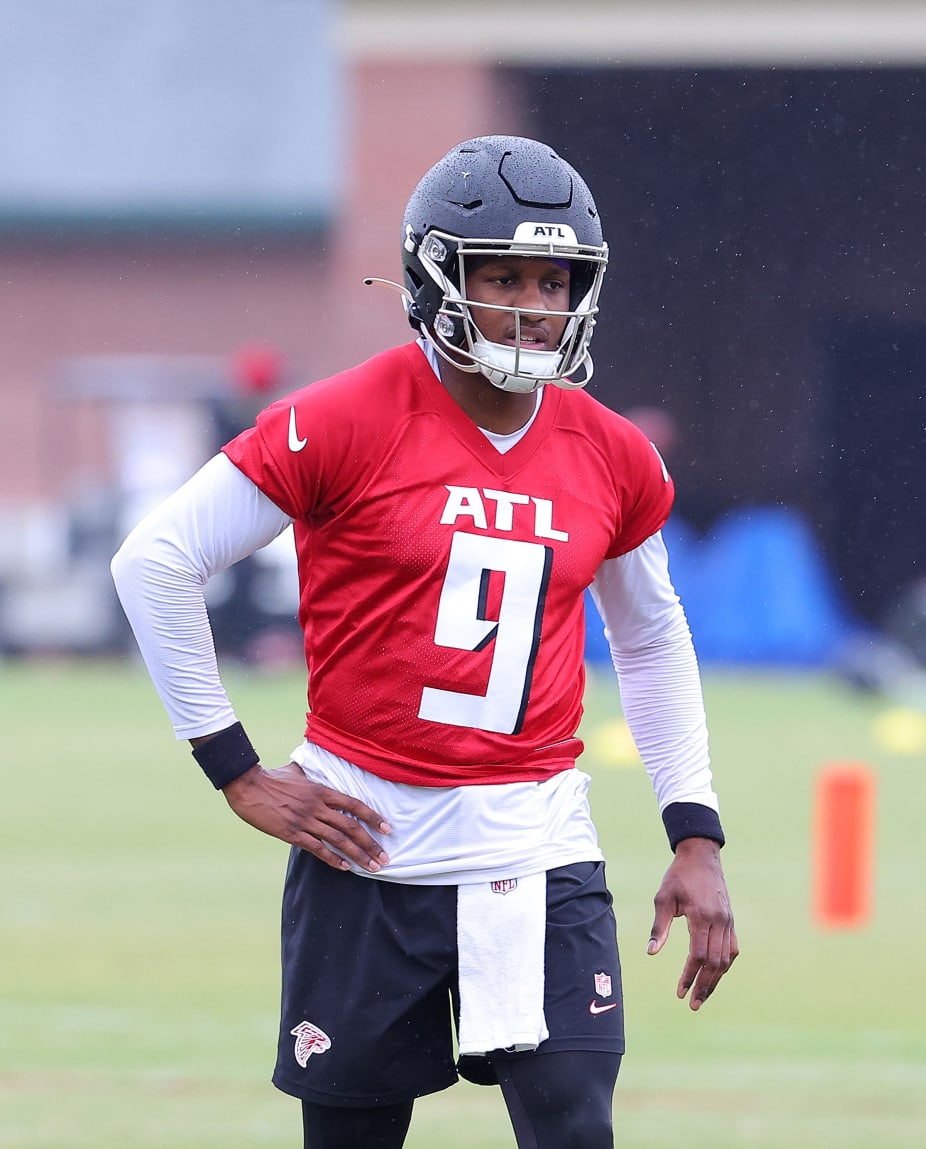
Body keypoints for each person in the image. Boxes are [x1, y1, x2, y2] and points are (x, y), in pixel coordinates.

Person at [112, 135, 737, 1149]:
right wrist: (236, 770)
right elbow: (154, 563)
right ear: (437, 275)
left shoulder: (614, 452)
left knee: (577, 1128)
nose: (537, 303)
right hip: (367, 836)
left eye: (555, 278)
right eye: (504, 277)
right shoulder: (345, 418)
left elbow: (655, 642)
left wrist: (695, 834)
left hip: (536, 845)